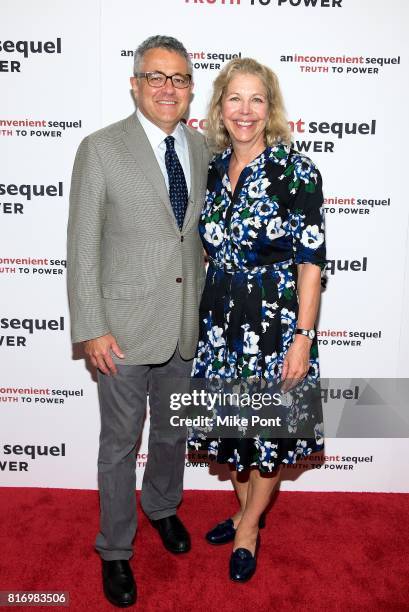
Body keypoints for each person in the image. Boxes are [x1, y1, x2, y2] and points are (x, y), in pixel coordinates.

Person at [67, 35, 208, 607]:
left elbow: (191, 236)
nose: (168, 88)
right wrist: (92, 326)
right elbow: (82, 245)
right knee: (120, 443)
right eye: (157, 77)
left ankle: (163, 508)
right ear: (135, 83)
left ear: (190, 88)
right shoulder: (100, 148)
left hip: (182, 323)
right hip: (120, 330)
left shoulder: (200, 148)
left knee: (172, 433)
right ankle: (116, 550)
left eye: (178, 79)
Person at [190, 58, 326, 582]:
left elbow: (311, 262)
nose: (245, 110)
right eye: (234, 99)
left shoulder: (297, 171)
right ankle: (244, 511)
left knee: (268, 433)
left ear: (270, 109)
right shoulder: (210, 170)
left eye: (257, 99)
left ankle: (248, 528)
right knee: (234, 430)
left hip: (274, 327)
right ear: (220, 107)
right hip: (219, 323)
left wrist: (303, 338)